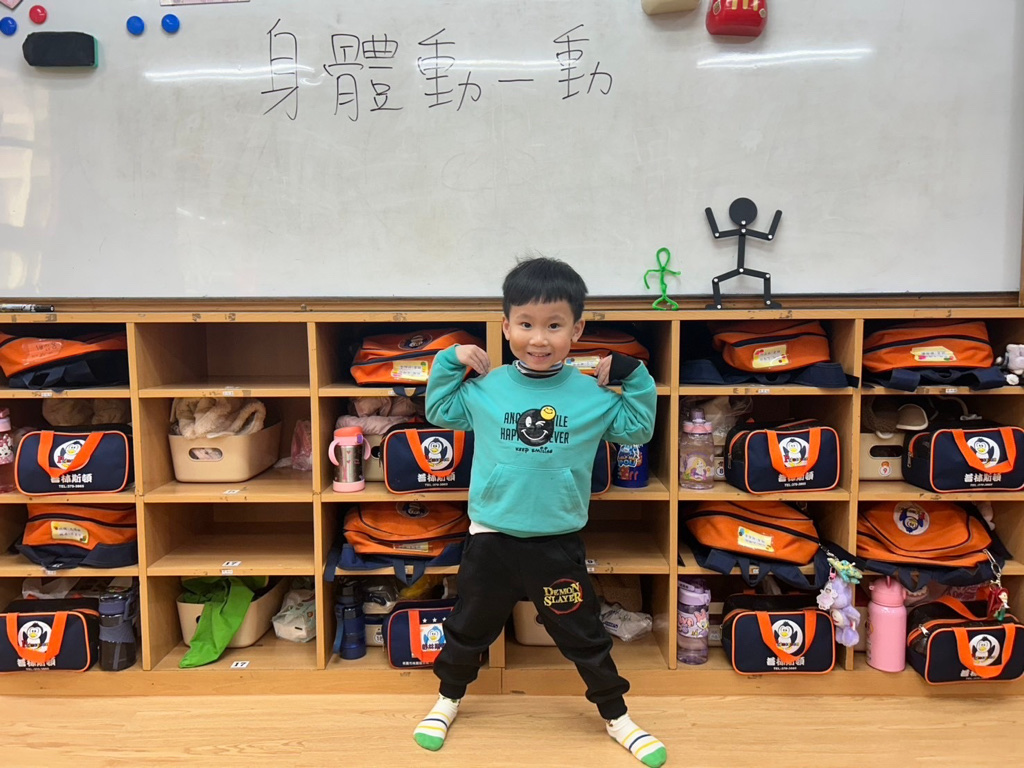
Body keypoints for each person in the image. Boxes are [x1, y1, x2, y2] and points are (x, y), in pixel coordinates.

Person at [413, 256, 666, 767]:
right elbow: (438, 410)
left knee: (583, 634)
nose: (539, 338)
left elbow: (638, 429)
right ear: (506, 326)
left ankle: (617, 716)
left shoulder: (591, 395)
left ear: (577, 329)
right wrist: (449, 360)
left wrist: (636, 375)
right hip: (491, 538)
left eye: (554, 325)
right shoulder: (486, 388)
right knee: (468, 628)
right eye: (526, 324)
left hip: (556, 543)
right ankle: (446, 701)